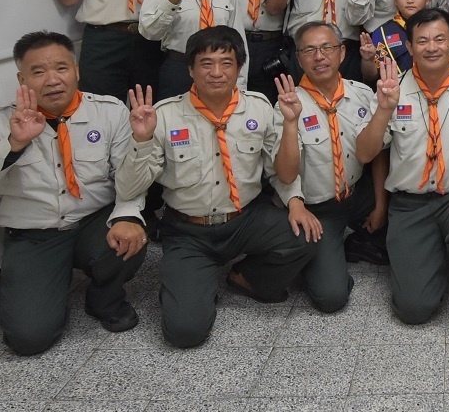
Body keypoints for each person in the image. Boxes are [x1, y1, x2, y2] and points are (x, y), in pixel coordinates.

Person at [116, 26, 317, 348]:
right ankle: (189, 282)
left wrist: (295, 200)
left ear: (239, 68)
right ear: (191, 69)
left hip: (245, 219)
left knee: (306, 235)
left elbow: (281, 171)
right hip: (188, 230)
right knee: (185, 333)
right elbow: (129, 189)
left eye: (226, 63)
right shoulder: (164, 116)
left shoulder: (258, 107)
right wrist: (141, 139)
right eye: (206, 63)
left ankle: (244, 277)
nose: (216, 72)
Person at [0, 31, 147, 355]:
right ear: (22, 78)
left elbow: (128, 179)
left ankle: (104, 298)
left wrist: (128, 215)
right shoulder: (0, 122)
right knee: (28, 339)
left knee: (131, 236)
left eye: (61, 68)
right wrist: (13, 144)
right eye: (39, 71)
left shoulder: (109, 111)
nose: (52, 79)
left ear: (77, 70)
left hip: (91, 222)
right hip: (34, 234)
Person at [355, 9, 449, 324]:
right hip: (410, 205)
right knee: (413, 309)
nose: (431, 47)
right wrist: (384, 110)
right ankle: (430, 256)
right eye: (421, 41)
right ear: (409, 48)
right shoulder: (391, 88)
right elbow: (365, 154)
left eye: (440, 39)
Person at [275, 22, 388, 313]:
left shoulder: (362, 94)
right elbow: (286, 174)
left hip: (357, 192)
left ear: (341, 53)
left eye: (327, 48)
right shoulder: (288, 105)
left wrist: (380, 205)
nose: (319, 56)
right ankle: (324, 254)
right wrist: (290, 123)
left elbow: (375, 155)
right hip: (318, 207)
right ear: (298, 59)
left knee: (406, 229)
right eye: (309, 50)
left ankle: (359, 242)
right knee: (331, 298)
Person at [361, 0, 430, 80]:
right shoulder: (382, 33)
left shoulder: (438, 28)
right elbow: (371, 76)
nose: (410, 0)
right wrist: (368, 59)